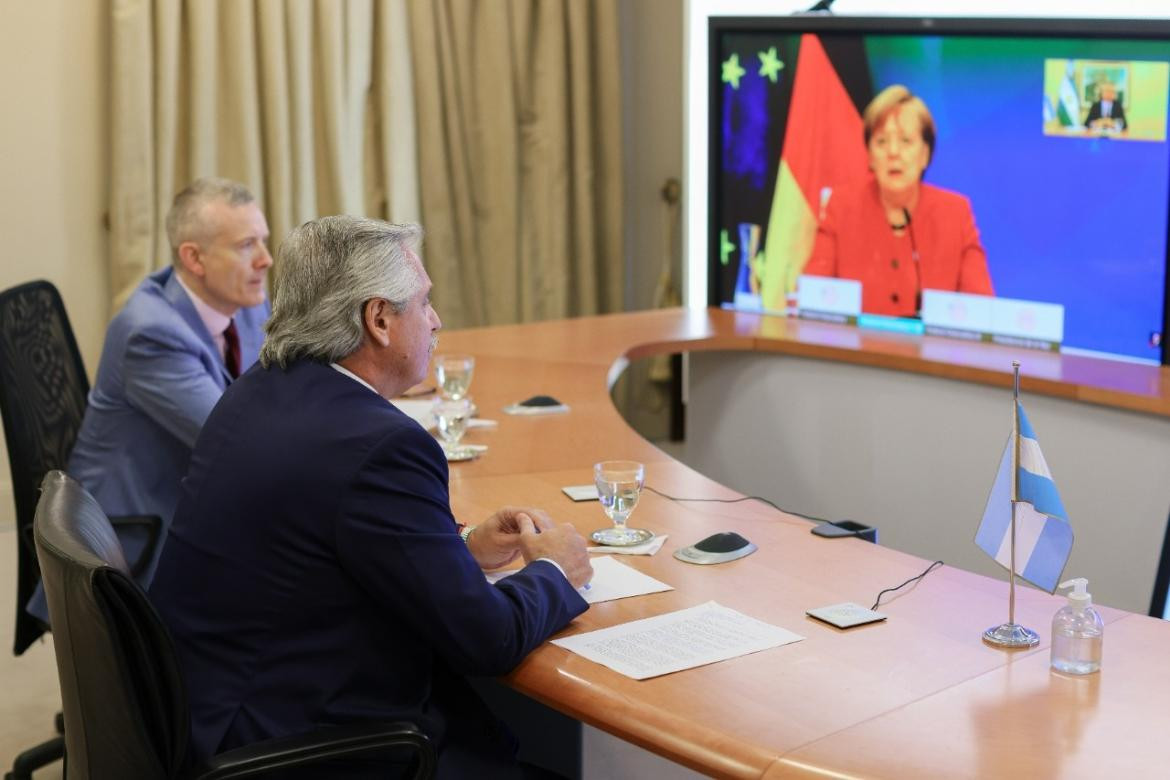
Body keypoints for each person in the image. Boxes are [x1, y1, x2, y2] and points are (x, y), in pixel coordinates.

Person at [149, 216, 593, 777]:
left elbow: (331, 539)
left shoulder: (258, 388)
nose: (436, 321)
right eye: (424, 303)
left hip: (211, 710)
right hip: (295, 746)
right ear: (379, 319)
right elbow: (488, 640)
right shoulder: (381, 446)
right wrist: (556, 570)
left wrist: (461, 547)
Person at [27, 178, 272, 621]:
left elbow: (286, 381)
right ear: (193, 258)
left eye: (264, 241)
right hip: (141, 536)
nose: (265, 259)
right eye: (246, 245)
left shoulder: (247, 302)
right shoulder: (151, 333)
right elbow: (239, 443)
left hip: (199, 497)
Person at [802, 85, 994, 318]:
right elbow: (810, 301)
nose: (893, 152)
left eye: (905, 141)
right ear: (870, 155)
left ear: (925, 154)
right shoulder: (841, 207)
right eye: (882, 142)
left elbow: (981, 312)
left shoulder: (955, 214)